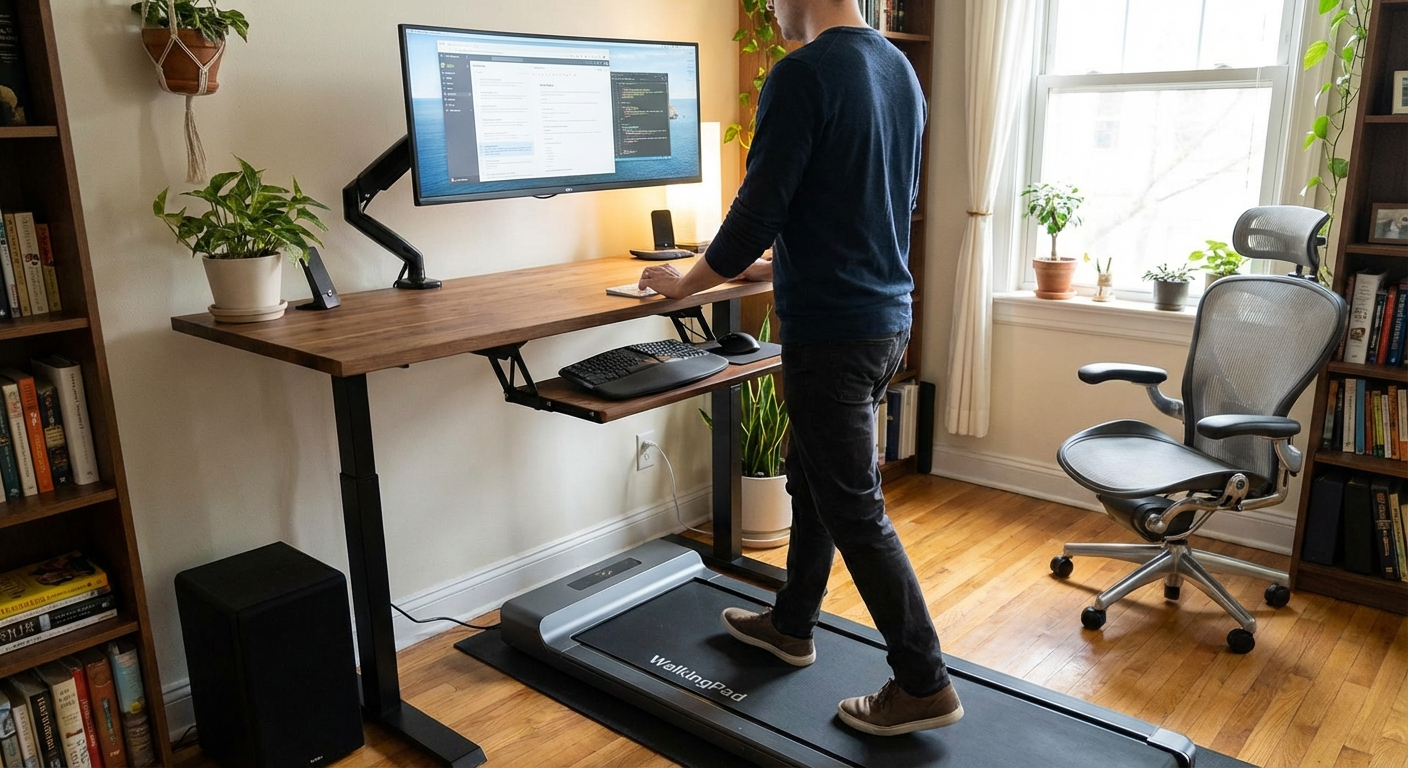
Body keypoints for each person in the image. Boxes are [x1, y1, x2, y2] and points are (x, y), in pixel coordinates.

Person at [638, 0, 959, 737]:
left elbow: (758, 208)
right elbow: (875, 203)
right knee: (811, 476)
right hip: (887, 321)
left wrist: (687, 281)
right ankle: (791, 625)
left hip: (833, 331)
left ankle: (923, 680)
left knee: (854, 507)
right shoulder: (897, 70)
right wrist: (768, 262)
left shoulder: (803, 74)